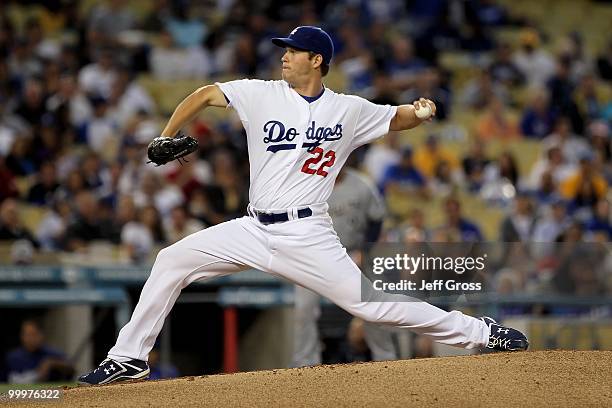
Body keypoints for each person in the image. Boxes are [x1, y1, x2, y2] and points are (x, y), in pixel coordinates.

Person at [79, 26, 528, 385]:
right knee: (172, 259)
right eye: (284, 50)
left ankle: (481, 332)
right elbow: (204, 95)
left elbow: (395, 118)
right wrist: (165, 133)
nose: (284, 56)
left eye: (293, 51)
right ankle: (128, 359)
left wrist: (422, 112)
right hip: (253, 229)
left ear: (316, 60)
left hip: (308, 233)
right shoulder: (261, 93)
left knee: (371, 306)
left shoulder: (348, 109)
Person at [292, 158, 397, 367]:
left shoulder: (362, 185)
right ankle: (304, 364)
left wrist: (365, 252)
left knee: (373, 305)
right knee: (303, 308)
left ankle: (386, 360)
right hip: (316, 256)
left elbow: (376, 220)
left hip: (354, 253)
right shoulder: (308, 184)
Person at [6, 320, 74, 383]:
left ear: (41, 335)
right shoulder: (13, 357)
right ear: (22, 336)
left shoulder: (51, 353)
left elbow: (71, 368)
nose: (30, 339)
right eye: (27, 335)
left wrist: (52, 363)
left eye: (33, 334)